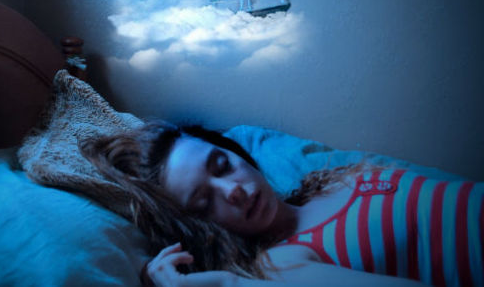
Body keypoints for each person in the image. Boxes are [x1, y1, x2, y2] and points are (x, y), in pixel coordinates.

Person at [80, 121, 483, 287]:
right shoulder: (281, 264)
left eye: (222, 165)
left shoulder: (323, 179)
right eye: (205, 202)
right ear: (199, 228)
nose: (232, 190)